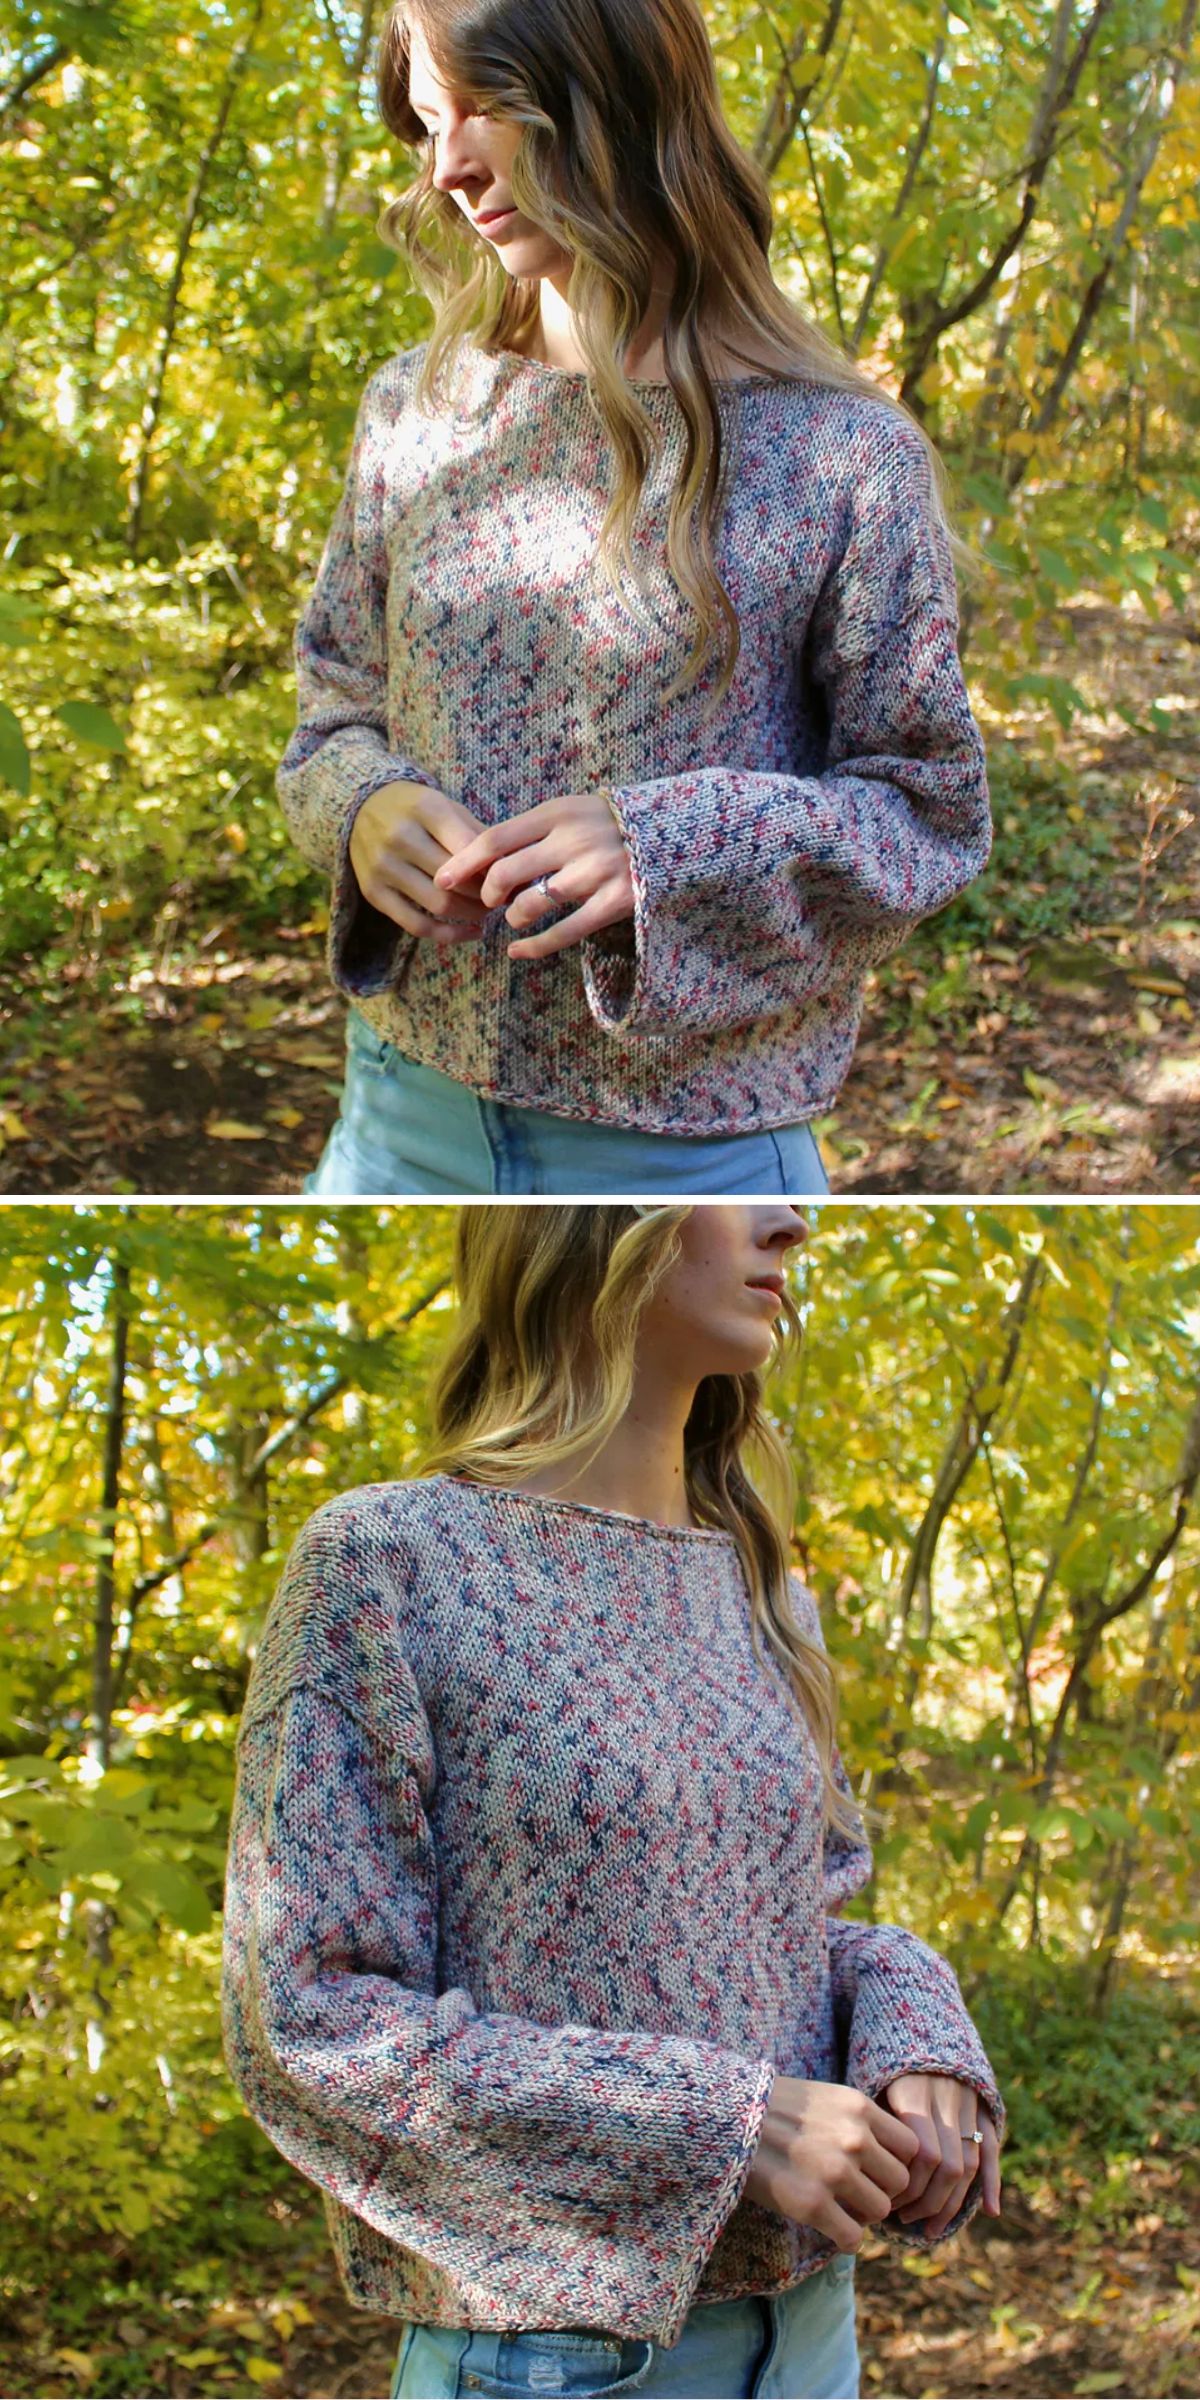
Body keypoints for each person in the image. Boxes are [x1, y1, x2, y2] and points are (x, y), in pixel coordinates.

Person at [221, 1202, 1006, 2400]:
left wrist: (915, 2016)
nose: (792, 1222)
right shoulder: (389, 1562)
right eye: (740, 1203)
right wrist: (722, 2123)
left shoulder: (765, 1592)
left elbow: (789, 1934)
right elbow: (311, 2018)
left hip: (811, 2336)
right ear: (592, 1230)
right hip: (556, 2359)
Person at [279, 0, 994, 1198]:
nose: (449, 166)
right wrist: (362, 807)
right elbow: (330, 710)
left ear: (614, 90)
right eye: (428, 120)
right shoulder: (414, 412)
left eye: (489, 109)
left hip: (698, 1156)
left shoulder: (839, 455)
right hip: (399, 1123)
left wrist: (672, 845)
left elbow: (929, 813)